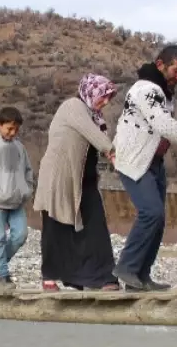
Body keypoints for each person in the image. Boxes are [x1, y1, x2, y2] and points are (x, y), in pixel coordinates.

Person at [112, 45, 177, 291]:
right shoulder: (147, 90)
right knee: (151, 213)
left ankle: (140, 277)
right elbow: (165, 126)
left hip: (153, 162)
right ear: (161, 64)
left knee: (158, 220)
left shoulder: (163, 91)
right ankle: (127, 268)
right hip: (134, 161)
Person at [32, 74, 122, 291]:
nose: (105, 102)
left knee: (95, 225)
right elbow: (92, 134)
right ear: (89, 92)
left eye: (108, 97)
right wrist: (112, 152)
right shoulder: (73, 106)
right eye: (102, 96)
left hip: (84, 179)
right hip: (58, 177)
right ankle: (50, 277)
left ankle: (104, 277)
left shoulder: (95, 116)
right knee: (56, 226)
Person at [0, 107, 35, 287]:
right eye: (9, 128)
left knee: (21, 235)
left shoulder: (20, 147)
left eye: (16, 129)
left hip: (17, 202)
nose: (13, 132)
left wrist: (27, 190)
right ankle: (2, 274)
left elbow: (28, 171)